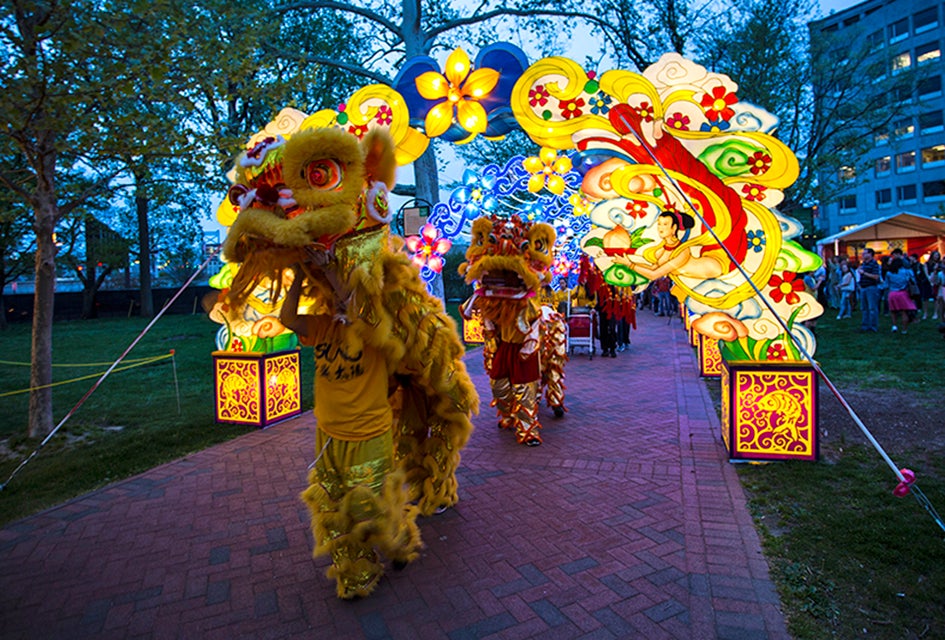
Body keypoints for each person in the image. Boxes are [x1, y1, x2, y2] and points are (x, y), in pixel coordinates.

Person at [280, 264, 421, 599]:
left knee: (367, 507)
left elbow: (361, 312)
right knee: (332, 507)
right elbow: (288, 319)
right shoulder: (323, 326)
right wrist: (300, 275)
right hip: (329, 435)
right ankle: (357, 573)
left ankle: (398, 539)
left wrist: (333, 273)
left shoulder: (375, 327)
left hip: (369, 434)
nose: (335, 298)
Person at [884, 257, 917, 333]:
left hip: (892, 293)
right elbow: (912, 281)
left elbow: (886, 284)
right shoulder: (906, 272)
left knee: (893, 311)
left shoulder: (889, 273)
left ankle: (894, 326)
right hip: (903, 293)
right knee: (904, 312)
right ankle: (904, 329)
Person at [857, 248, 881, 332]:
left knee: (872, 308)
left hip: (871, 287)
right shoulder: (863, 264)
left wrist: (864, 273)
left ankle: (873, 326)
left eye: (865, 253)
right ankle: (865, 326)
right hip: (863, 287)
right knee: (864, 308)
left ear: (870, 254)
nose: (863, 255)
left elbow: (876, 276)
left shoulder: (874, 264)